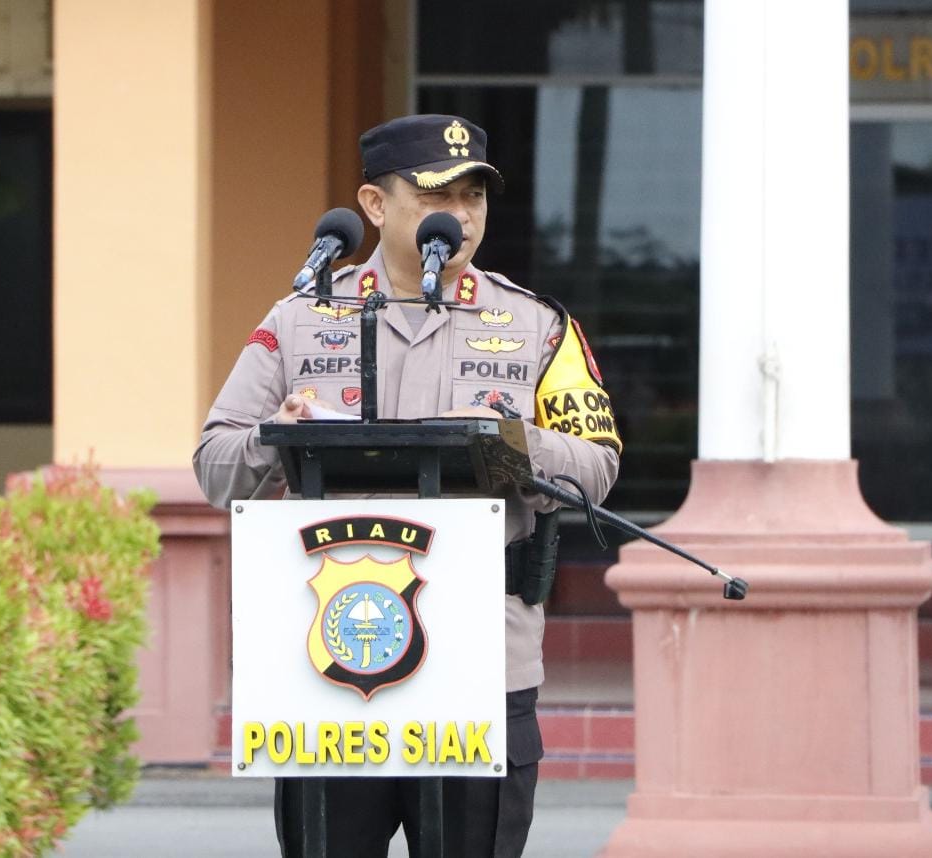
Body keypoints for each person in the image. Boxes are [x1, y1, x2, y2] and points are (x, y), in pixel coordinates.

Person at [193, 114, 621, 858]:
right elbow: (213, 463)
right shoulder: (301, 318)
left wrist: (508, 440)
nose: (461, 216)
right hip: (329, 657)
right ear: (374, 204)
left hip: (484, 661)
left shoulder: (537, 326)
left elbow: (599, 466)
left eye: (473, 196)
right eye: (436, 196)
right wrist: (275, 435)